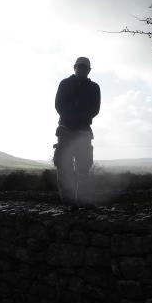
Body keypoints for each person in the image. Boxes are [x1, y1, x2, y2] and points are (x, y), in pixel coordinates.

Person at [53, 56, 101, 210]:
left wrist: (80, 120)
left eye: (84, 67)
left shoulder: (94, 87)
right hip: (67, 130)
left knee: (84, 167)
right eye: (79, 66)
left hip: (83, 132)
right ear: (74, 67)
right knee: (64, 165)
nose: (82, 69)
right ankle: (69, 202)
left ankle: (83, 200)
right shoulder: (65, 83)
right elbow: (58, 105)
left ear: (89, 70)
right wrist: (73, 120)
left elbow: (95, 109)